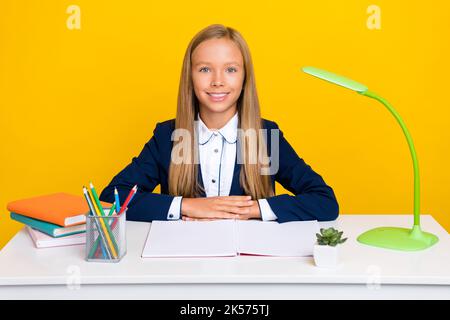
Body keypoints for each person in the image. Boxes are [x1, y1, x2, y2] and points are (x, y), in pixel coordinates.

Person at [99, 24, 339, 223]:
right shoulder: (168, 136)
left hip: (249, 265)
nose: (217, 81)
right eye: (205, 69)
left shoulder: (265, 136)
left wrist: (252, 209)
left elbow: (324, 201)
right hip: (183, 264)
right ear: (189, 77)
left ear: (245, 78)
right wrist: (189, 206)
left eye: (231, 69)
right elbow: (112, 198)